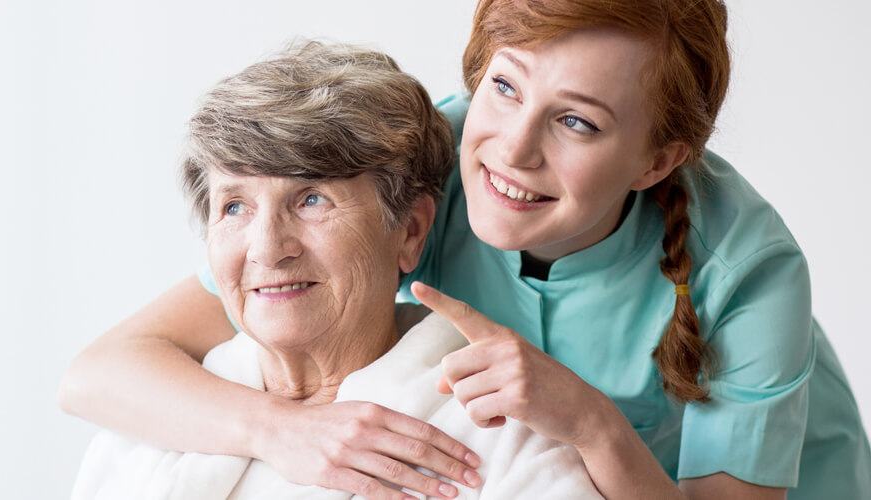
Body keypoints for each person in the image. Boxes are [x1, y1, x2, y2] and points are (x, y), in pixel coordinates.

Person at [57, 1, 871, 499]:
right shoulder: (413, 168)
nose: (511, 151)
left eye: (577, 121)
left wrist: (593, 424)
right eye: (504, 88)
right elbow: (101, 372)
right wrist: (279, 431)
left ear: (657, 160)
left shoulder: (748, 274)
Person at [70, 40, 603, 500]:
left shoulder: (509, 447)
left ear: (411, 230)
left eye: (311, 199)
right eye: (234, 207)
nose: (267, 250)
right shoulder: (145, 430)